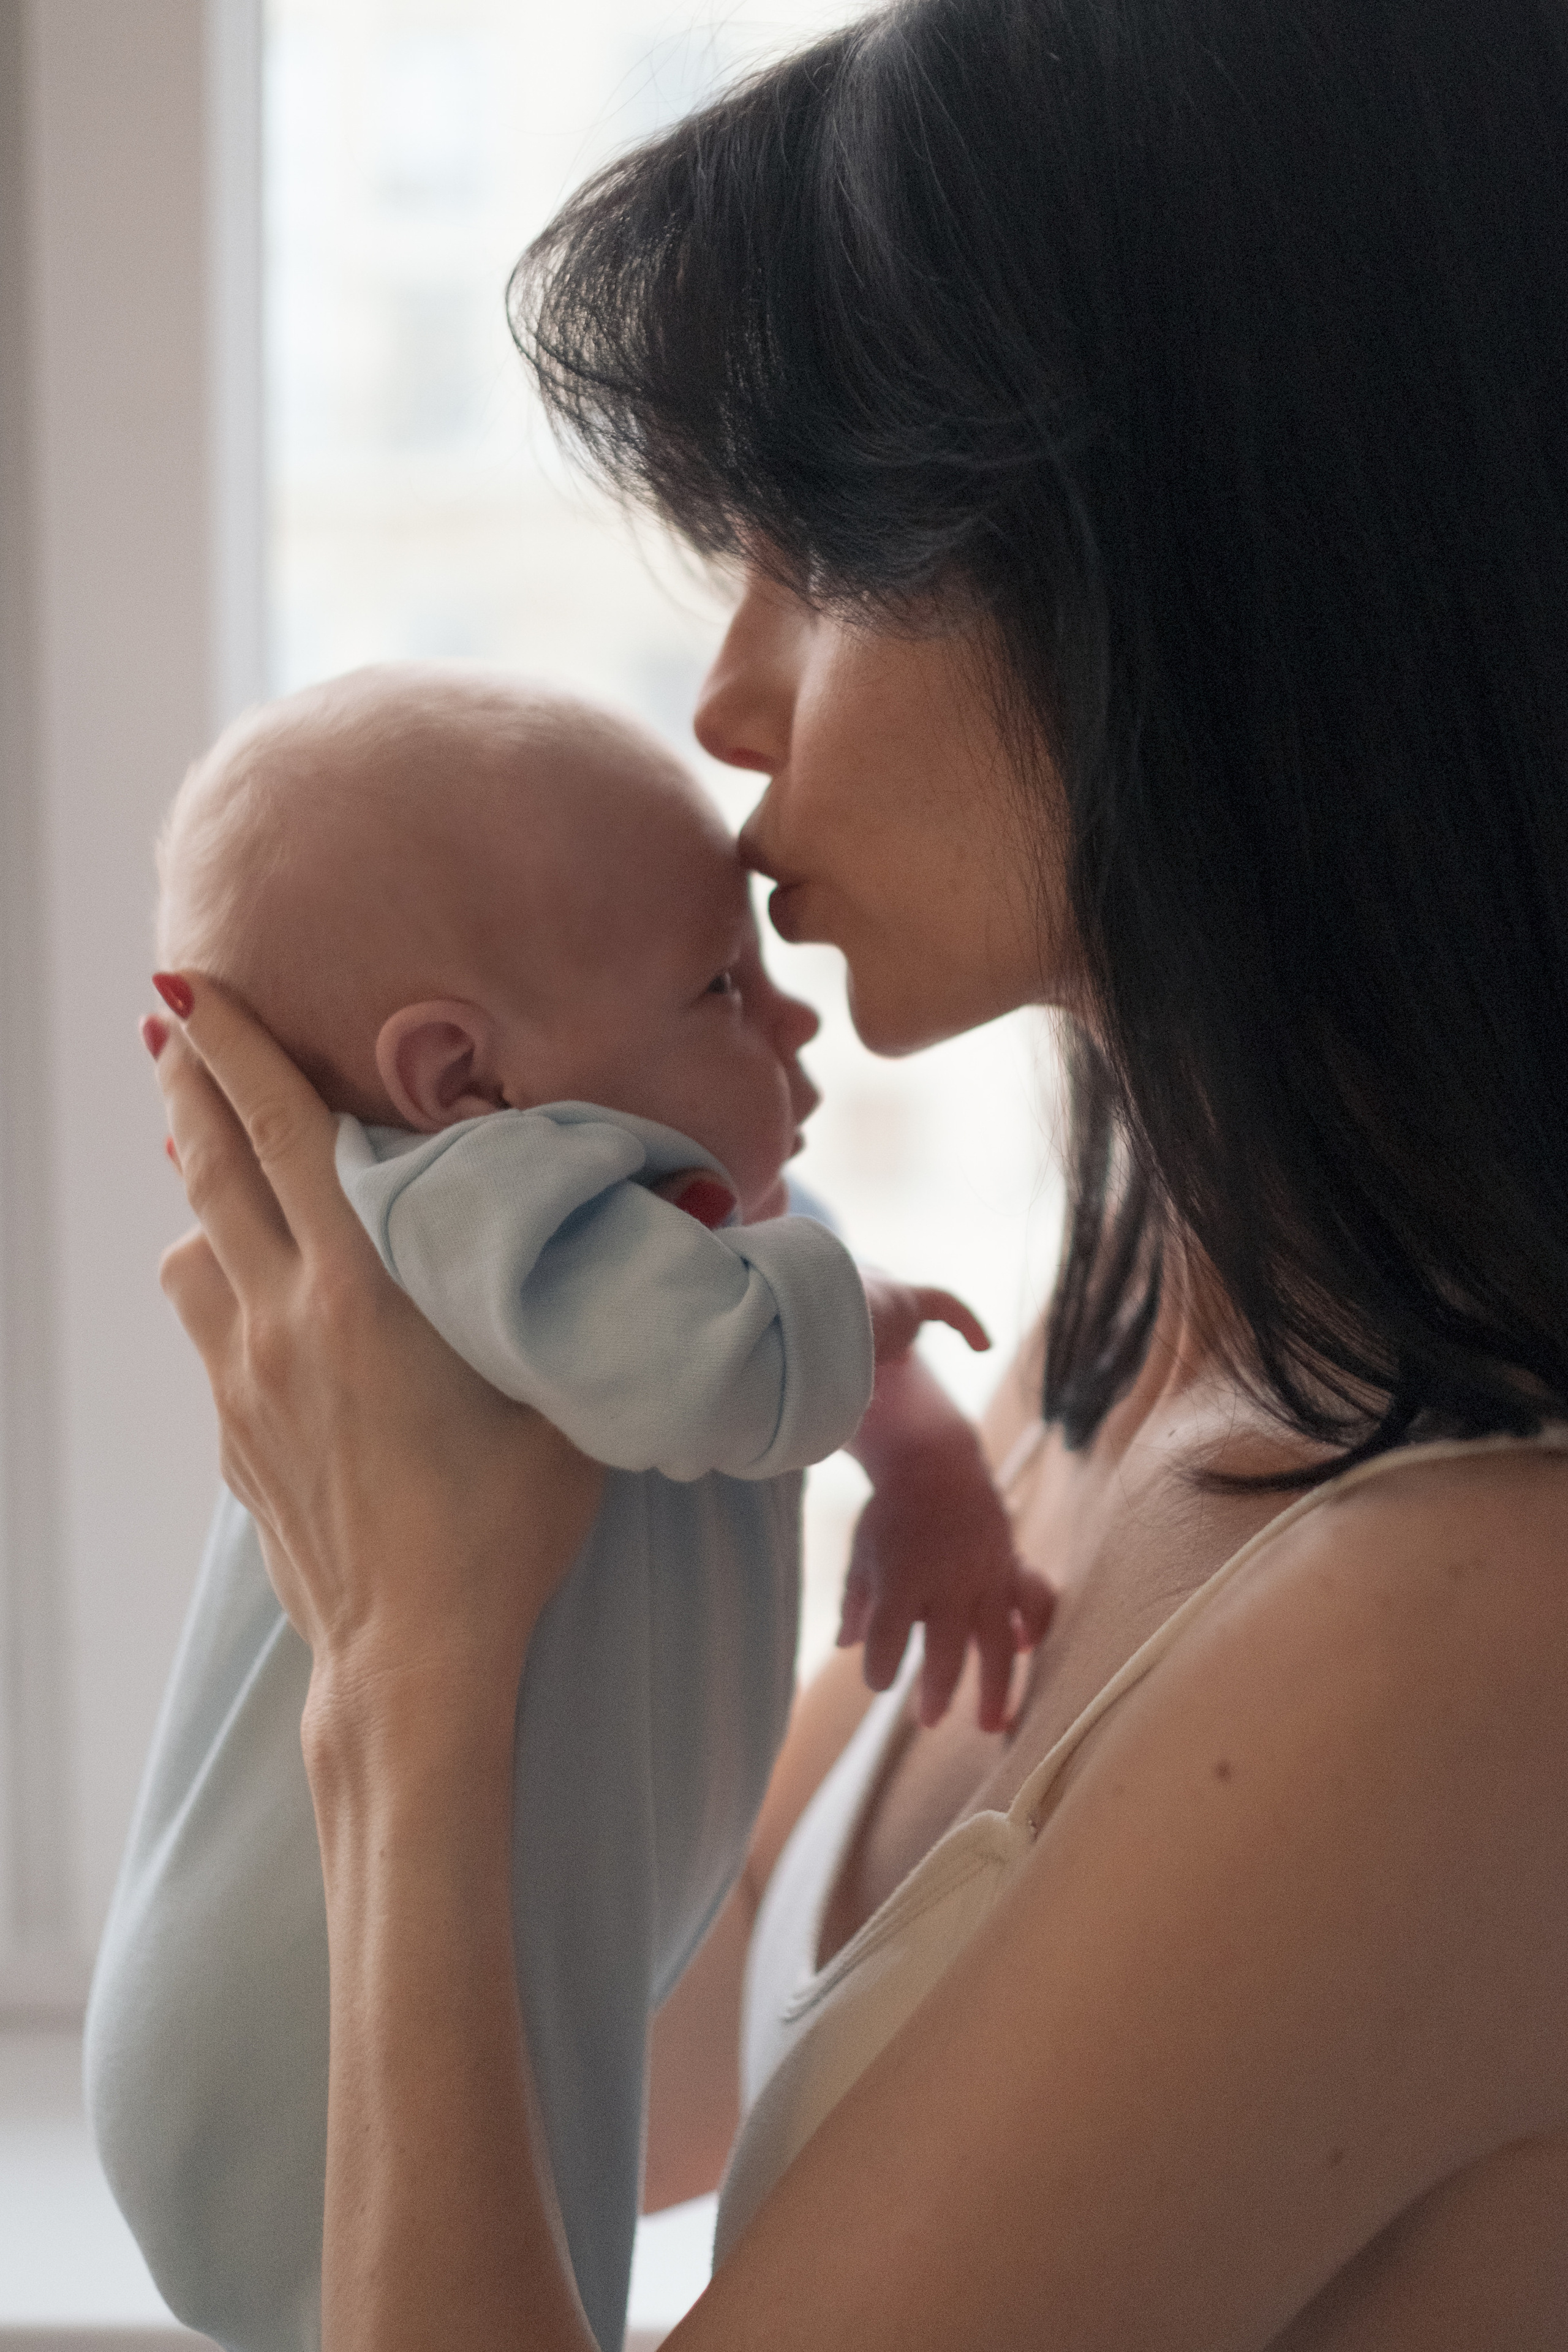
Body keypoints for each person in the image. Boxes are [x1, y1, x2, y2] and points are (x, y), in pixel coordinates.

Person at [138, 0, 1568, 2342]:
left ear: (1210, 578)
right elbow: (661, 2073)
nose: (727, 700)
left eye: (824, 554)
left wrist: (402, 1667)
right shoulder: (1102, 1377)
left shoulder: (1460, 1628)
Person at [86, 663, 1044, 2352]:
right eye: (721, 987)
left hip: (430, 1970)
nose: (793, 1021)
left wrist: (930, 1464)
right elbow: (715, 1370)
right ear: (462, 1078)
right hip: (287, 2047)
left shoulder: (653, 1220)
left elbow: (779, 1299)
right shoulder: (464, 1216)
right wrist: (886, 1353)